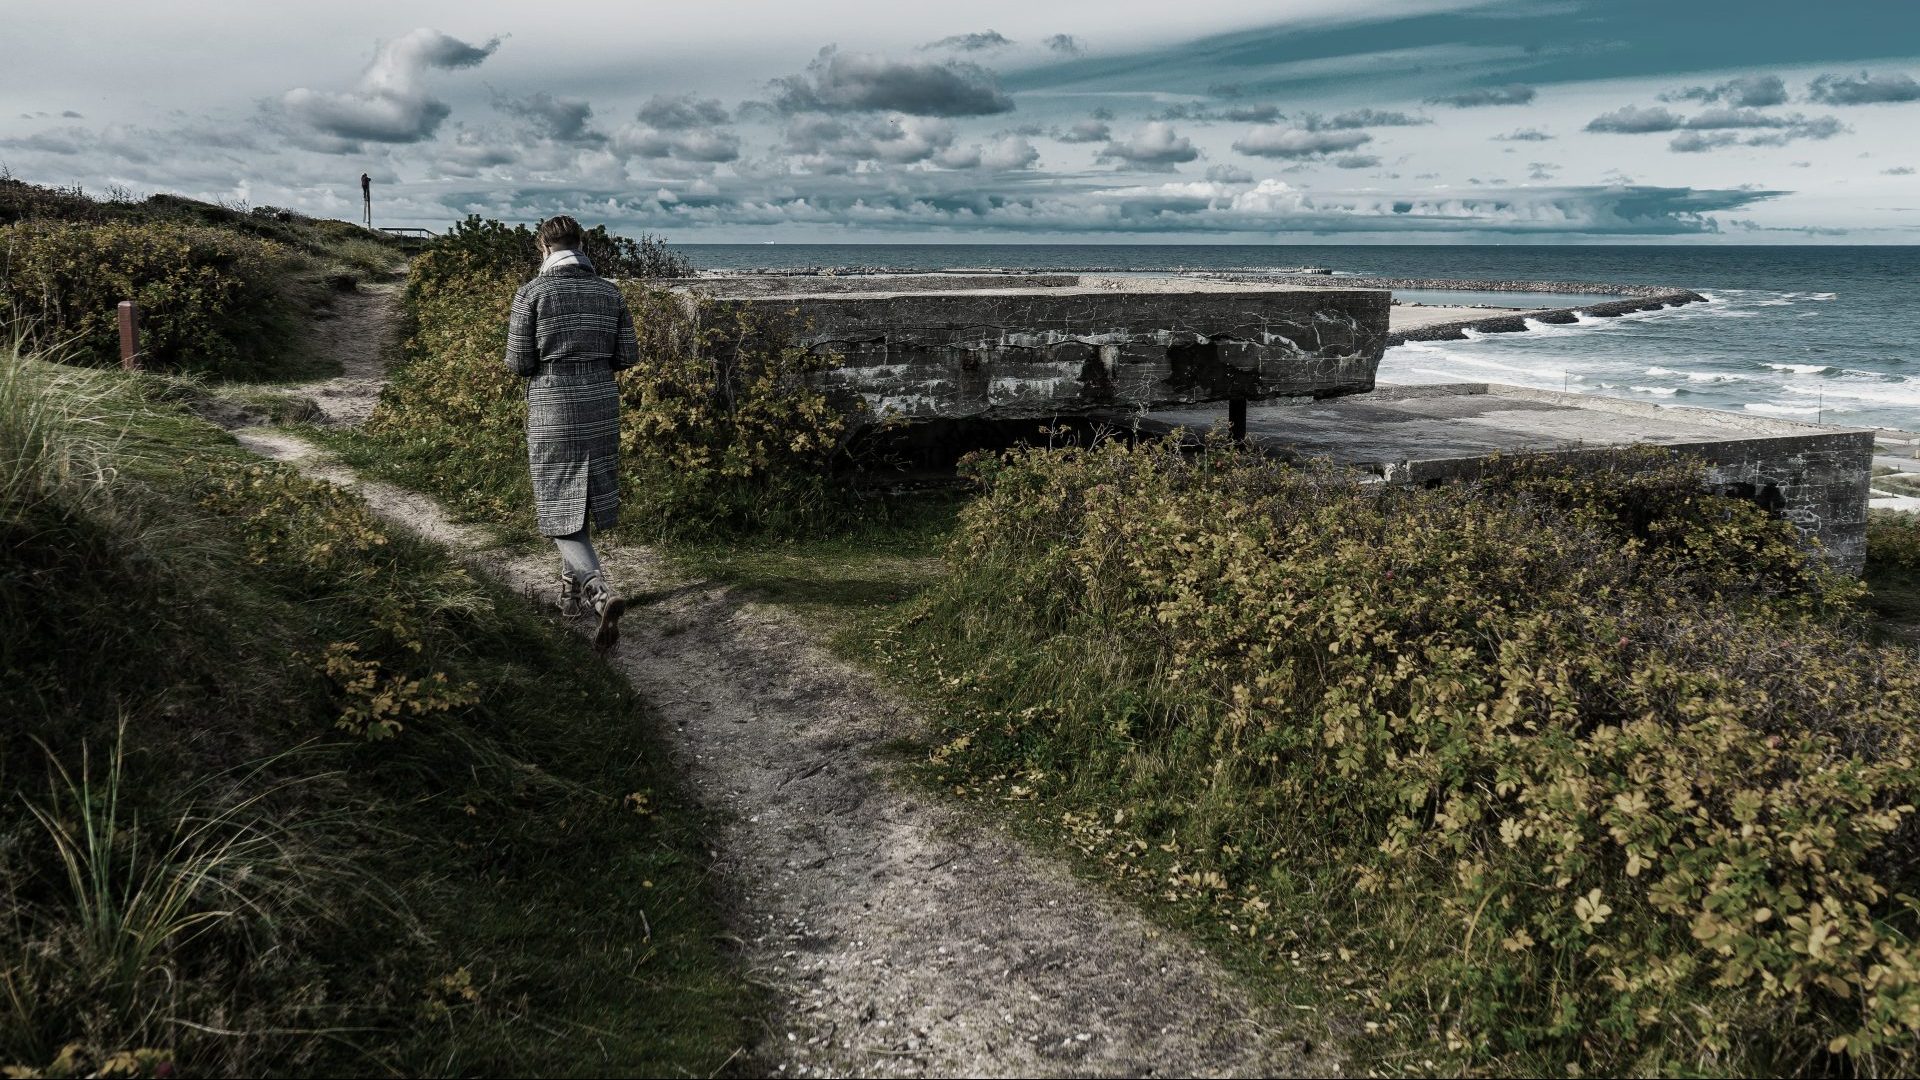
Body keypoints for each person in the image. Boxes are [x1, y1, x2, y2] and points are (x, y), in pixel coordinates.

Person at [505, 215, 636, 649]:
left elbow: (519, 361)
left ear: (544, 248)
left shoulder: (532, 293)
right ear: (583, 245)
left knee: (558, 498)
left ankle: (598, 592)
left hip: (553, 403)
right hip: (600, 400)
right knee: (579, 496)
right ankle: (570, 595)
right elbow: (628, 355)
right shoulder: (610, 292)